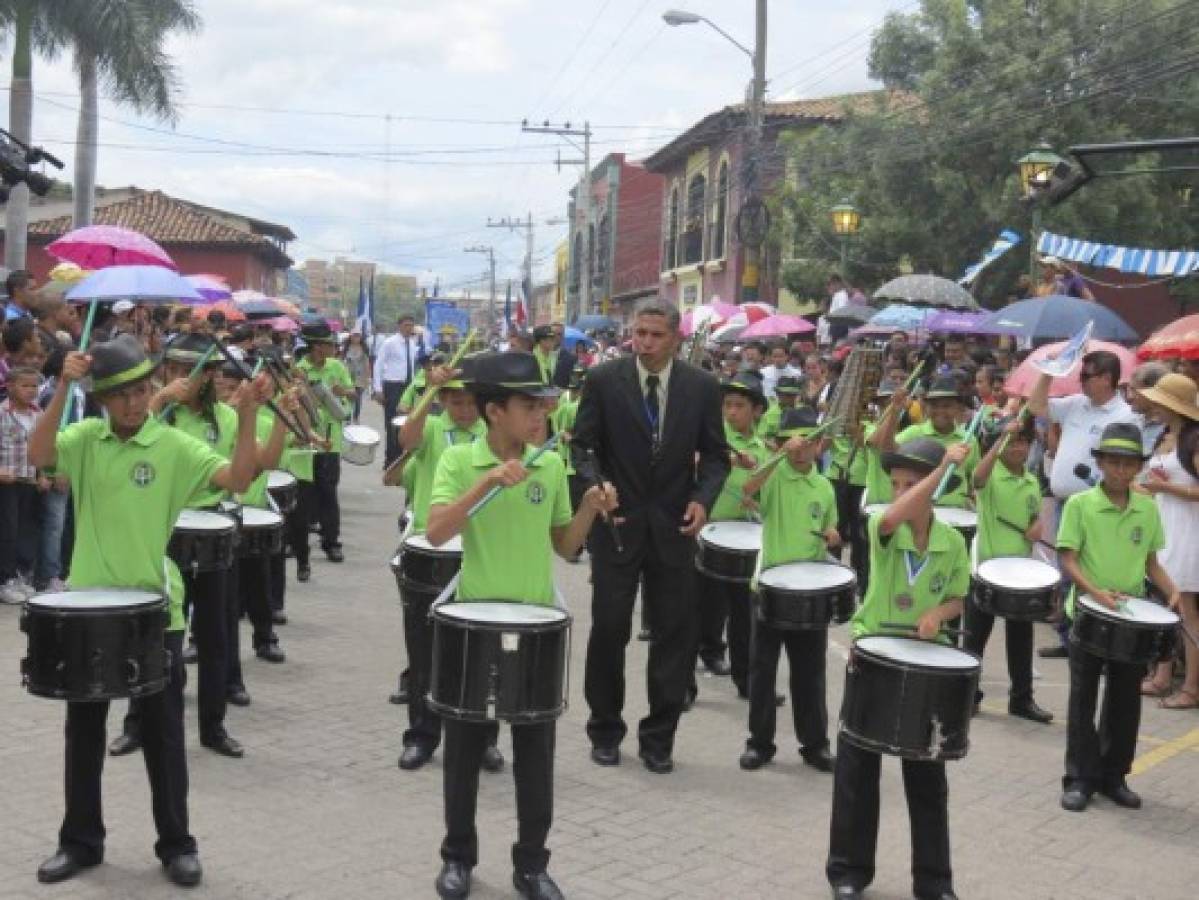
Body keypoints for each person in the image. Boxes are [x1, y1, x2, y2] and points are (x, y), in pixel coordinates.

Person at [27, 333, 262, 888]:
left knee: (163, 738)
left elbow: (239, 478)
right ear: (103, 399)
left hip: (157, 609)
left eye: (141, 389)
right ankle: (80, 842)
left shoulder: (174, 446)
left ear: (152, 388)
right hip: (88, 607)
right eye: (121, 394)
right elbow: (39, 456)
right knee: (83, 735)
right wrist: (63, 384)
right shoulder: (85, 437)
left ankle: (177, 845)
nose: (134, 401)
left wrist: (248, 415)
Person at [425, 350, 617, 900]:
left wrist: (588, 508)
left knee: (536, 753)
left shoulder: (550, 464)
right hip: (474, 618)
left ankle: (531, 863)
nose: (541, 416)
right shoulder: (459, 460)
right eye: (528, 405)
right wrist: (487, 484)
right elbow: (437, 532)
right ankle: (457, 856)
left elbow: (565, 545)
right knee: (463, 747)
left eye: (543, 405)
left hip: (536, 624)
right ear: (493, 411)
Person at [571, 297, 729, 774]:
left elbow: (716, 455)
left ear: (675, 338)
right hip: (617, 527)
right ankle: (604, 729)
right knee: (609, 629)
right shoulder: (604, 380)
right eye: (640, 333)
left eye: (656, 335)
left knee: (673, 636)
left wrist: (703, 498)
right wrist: (595, 484)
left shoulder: (701, 387)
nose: (645, 343)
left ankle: (659, 738)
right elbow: (582, 446)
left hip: (674, 527)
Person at [827, 438, 971, 900]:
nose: (901, 492)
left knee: (928, 776)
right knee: (857, 771)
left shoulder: (951, 541)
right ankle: (848, 872)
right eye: (896, 484)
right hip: (875, 656)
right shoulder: (880, 525)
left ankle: (935, 883)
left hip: (926, 666)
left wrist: (939, 616)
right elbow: (892, 516)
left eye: (912, 484)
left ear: (936, 488)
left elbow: (958, 596)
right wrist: (940, 468)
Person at [109, 334, 247, 760]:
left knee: (214, 635)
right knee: (149, 630)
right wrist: (158, 401)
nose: (184, 378)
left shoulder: (224, 417)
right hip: (161, 531)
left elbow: (235, 471)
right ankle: (135, 724)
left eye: (195, 370)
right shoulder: (156, 415)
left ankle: (213, 726)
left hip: (209, 527)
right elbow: (125, 442)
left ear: (210, 375)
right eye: (175, 369)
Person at [1056, 422, 1180, 813]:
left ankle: (1115, 776)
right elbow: (1068, 558)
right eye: (1113, 463)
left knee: (1126, 700)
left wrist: (1171, 589)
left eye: (1129, 464)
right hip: (1090, 613)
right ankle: (1079, 777)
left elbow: (1151, 563)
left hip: (1130, 616)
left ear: (1137, 466)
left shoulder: (1147, 507)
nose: (1121, 471)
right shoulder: (1080, 505)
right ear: (1101, 463)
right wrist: (1093, 591)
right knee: (1082, 699)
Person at [394, 360, 502, 773]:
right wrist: (424, 396)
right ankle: (422, 735)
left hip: (477, 550)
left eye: (471, 402)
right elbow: (406, 438)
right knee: (425, 652)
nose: (464, 410)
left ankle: (484, 739)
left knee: (483, 653)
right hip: (429, 547)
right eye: (455, 402)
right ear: (443, 401)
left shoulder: (490, 439)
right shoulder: (434, 428)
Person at [738, 407, 838, 772]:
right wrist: (778, 454)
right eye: (792, 442)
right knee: (762, 670)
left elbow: (831, 528)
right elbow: (747, 488)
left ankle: (815, 745)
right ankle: (759, 743)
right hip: (768, 587)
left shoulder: (824, 486)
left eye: (808, 441)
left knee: (810, 672)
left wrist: (832, 535)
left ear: (819, 444)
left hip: (810, 592)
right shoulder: (775, 475)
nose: (800, 448)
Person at [1028, 349, 1132, 658]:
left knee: (1089, 572)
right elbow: (1036, 406)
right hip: (1065, 503)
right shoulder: (1075, 405)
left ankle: (1088, 640)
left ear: (1107, 379)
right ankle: (1069, 638)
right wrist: (1049, 372)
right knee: (1066, 571)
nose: (1079, 381)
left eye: (1086, 376)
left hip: (1098, 506)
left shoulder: (1123, 416)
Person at [964, 415, 1054, 724]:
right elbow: (976, 477)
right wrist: (1001, 437)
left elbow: (1032, 518)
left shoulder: (1031, 480)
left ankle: (1022, 699)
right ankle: (968, 695)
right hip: (986, 567)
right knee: (975, 636)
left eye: (1023, 442)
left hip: (1019, 571)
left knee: (1021, 636)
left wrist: (1036, 525)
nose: (1018, 448)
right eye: (1012, 442)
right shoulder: (991, 475)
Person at [693, 372, 768, 691]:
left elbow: (766, 496)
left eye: (739, 406)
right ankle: (701, 660)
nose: (731, 412)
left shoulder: (763, 449)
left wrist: (757, 491)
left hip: (742, 536)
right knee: (702, 604)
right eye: (727, 405)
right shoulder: (711, 437)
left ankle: (745, 677)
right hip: (706, 529)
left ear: (757, 411)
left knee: (742, 609)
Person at [1134, 374, 1199, 708]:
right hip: (1165, 527)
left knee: (1187, 610)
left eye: (1159, 400)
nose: (1153, 406)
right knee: (1166, 603)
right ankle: (1162, 675)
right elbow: (1152, 484)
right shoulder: (1165, 436)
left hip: (1189, 532)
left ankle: (1190, 687)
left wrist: (1164, 488)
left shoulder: (1193, 440)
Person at [877, 376, 979, 510]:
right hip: (917, 510)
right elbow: (887, 449)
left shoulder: (969, 440)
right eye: (934, 406)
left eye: (946, 406)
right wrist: (894, 412)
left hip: (956, 511)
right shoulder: (914, 432)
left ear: (958, 408)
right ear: (926, 407)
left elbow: (974, 478)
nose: (940, 411)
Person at [298, 322, 354, 563]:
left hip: (331, 441)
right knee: (305, 495)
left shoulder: (337, 367)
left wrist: (342, 392)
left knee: (329, 493)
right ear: (316, 347)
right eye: (328, 344)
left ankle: (331, 542)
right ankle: (299, 545)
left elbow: (352, 394)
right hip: (306, 441)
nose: (332, 347)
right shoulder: (298, 370)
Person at [0, 365, 44, 603]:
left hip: (29, 480)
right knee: (8, 530)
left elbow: (42, 447)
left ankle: (19, 576)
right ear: (9, 387)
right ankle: (5, 579)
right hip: (7, 482)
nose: (30, 391)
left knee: (26, 530)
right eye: (24, 385)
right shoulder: (2, 413)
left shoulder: (38, 413)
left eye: (34, 386)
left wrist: (43, 474)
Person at [374, 315, 428, 465]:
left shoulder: (412, 343)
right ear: (399, 326)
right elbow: (378, 364)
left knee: (406, 422)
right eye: (406, 325)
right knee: (392, 423)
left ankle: (402, 459)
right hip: (393, 385)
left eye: (411, 325)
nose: (409, 328)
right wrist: (378, 389)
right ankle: (390, 459)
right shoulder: (390, 342)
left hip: (408, 386)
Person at [343, 330, 372, 424]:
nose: (356, 338)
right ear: (350, 337)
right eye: (354, 336)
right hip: (347, 376)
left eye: (358, 336)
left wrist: (368, 377)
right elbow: (342, 361)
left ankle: (356, 417)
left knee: (358, 398)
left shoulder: (364, 348)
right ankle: (347, 417)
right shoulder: (346, 348)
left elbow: (367, 364)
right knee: (348, 397)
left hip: (360, 377)